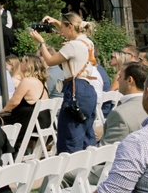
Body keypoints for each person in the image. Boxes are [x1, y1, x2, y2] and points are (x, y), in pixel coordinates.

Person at [29, 13, 99, 154]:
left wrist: (41, 42)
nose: (61, 32)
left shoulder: (72, 46)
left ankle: (68, 173)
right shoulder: (87, 42)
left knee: (69, 135)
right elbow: (75, 27)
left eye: (63, 28)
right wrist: (55, 22)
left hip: (74, 89)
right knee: (86, 135)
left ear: (71, 27)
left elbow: (49, 60)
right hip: (88, 90)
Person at [100, 63, 148, 145]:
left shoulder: (120, 114)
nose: (117, 80)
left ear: (130, 80)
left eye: (120, 76)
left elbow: (106, 151)